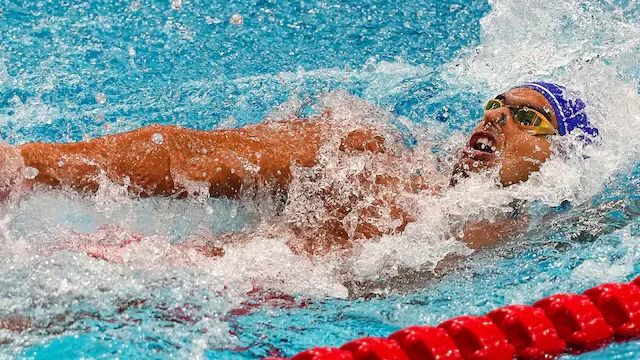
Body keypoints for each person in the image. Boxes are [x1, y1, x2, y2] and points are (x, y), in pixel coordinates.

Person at [0, 82, 598, 254]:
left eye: (529, 119)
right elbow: (198, 156)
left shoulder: (524, 233)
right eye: (494, 105)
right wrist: (24, 164)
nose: (495, 119)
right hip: (169, 275)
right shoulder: (365, 151)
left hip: (215, 302)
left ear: (562, 160)